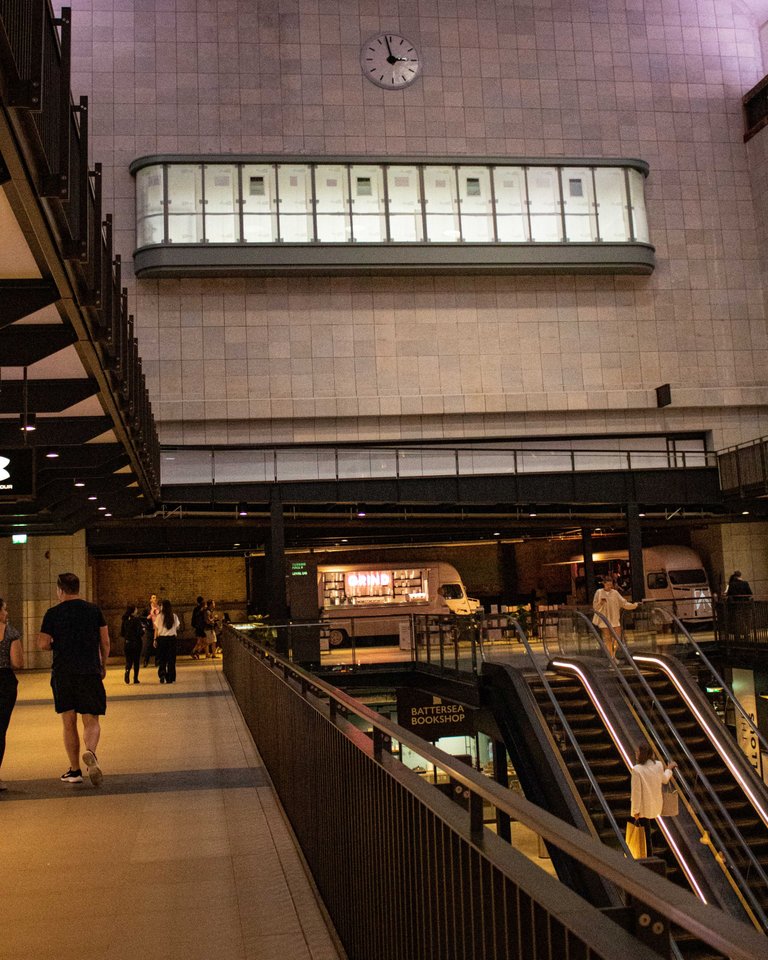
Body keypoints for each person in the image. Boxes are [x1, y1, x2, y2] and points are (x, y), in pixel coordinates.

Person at [37, 572, 110, 787]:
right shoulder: (93, 611)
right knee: (91, 719)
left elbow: (42, 643)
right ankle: (91, 754)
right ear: (78, 588)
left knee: (68, 722)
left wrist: (55, 644)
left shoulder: (53, 613)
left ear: (60, 589)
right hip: (89, 671)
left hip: (63, 673)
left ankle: (75, 770)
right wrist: (103, 666)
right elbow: (105, 642)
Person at [630, 742, 677, 856]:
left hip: (642, 808)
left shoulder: (637, 770)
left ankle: (647, 857)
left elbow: (636, 792)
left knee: (644, 836)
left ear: (642, 754)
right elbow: (665, 779)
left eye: (638, 752)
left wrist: (635, 811)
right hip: (655, 806)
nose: (636, 754)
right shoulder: (658, 765)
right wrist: (669, 769)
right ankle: (649, 856)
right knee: (648, 833)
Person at [0, 598, 24, 791]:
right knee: (0, 730)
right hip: (4, 683)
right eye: (5, 609)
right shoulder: (10, 633)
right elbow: (18, 662)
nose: (6, 613)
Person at [592, 577, 638, 658]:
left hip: (614, 618)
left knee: (617, 637)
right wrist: (601, 603)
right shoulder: (599, 592)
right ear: (604, 584)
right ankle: (611, 656)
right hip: (604, 619)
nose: (609, 586)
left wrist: (633, 606)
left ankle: (613, 654)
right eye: (607, 584)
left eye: (611, 585)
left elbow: (623, 603)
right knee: (607, 638)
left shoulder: (615, 593)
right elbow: (595, 606)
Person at [154, 599, 180, 684]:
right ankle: (170, 677)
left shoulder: (159, 617)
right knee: (171, 659)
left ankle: (162, 674)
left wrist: (155, 639)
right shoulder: (174, 616)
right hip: (172, 639)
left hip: (162, 639)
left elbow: (156, 629)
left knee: (162, 658)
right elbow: (177, 627)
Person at [726, 570, 753, 643]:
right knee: (746, 620)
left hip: (736, 605)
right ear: (740, 575)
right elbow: (750, 594)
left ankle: (737, 635)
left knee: (738, 620)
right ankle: (746, 634)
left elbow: (729, 594)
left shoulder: (732, 584)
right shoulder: (745, 583)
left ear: (734, 576)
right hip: (745, 604)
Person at [120, 603, 144, 684]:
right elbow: (140, 632)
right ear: (133, 611)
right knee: (136, 661)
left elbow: (122, 633)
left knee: (128, 660)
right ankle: (135, 678)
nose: (137, 610)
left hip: (127, 643)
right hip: (136, 643)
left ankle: (127, 671)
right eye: (136, 609)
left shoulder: (124, 620)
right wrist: (143, 630)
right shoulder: (136, 620)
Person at [142, 593, 160, 667]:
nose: (154, 599)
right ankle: (146, 661)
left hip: (158, 629)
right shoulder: (147, 609)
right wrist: (147, 618)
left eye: (155, 597)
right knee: (148, 646)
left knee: (158, 645)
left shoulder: (159, 608)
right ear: (150, 600)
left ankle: (157, 661)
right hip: (150, 629)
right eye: (153, 598)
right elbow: (142, 617)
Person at [190, 595, 207, 659]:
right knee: (200, 642)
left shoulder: (202, 609)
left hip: (201, 627)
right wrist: (201, 610)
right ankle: (194, 652)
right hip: (199, 627)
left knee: (204, 642)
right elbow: (196, 617)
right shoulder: (197, 609)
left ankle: (196, 652)